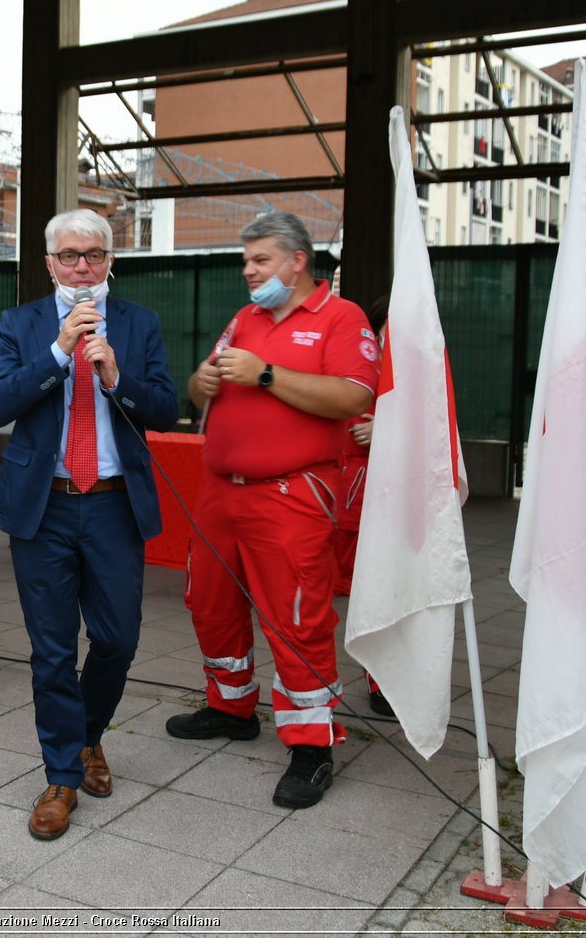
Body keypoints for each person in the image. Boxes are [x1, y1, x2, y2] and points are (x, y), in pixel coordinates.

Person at [168, 211, 376, 811]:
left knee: (296, 616)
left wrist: (265, 374)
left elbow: (354, 395)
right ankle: (230, 708)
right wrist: (202, 381)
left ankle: (312, 746)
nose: (249, 271)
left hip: (290, 492)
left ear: (297, 260)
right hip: (219, 490)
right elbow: (198, 387)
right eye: (246, 261)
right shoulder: (246, 318)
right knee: (209, 601)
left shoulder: (341, 317)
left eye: (259, 260)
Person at [0, 209, 178, 840]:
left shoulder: (139, 324)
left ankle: (89, 735)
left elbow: (167, 411)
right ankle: (62, 775)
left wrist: (117, 376)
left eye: (93, 255)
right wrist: (60, 351)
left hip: (115, 502)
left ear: (110, 261)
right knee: (52, 650)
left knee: (118, 639)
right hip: (46, 505)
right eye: (69, 256)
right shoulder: (22, 324)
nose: (82, 267)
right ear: (49, 263)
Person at [331, 297, 393, 718]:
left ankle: (383, 679)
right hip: (346, 491)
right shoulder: (356, 356)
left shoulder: (422, 366)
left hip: (391, 493)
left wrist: (389, 427)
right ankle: (310, 680)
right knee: (322, 588)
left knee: (383, 591)